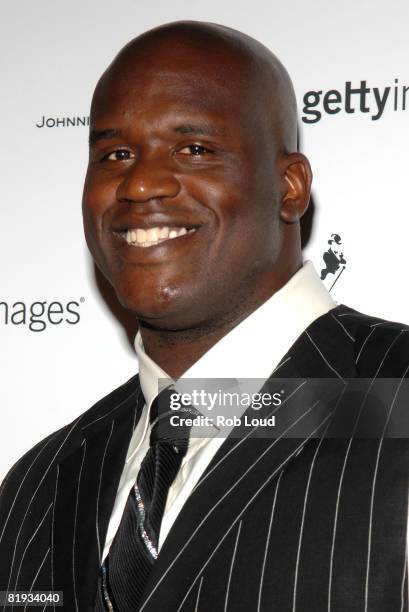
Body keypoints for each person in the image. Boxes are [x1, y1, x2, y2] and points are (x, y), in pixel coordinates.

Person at [1, 20, 408, 612]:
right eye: (115, 154)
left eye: (193, 149)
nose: (139, 184)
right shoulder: (38, 486)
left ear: (290, 187)